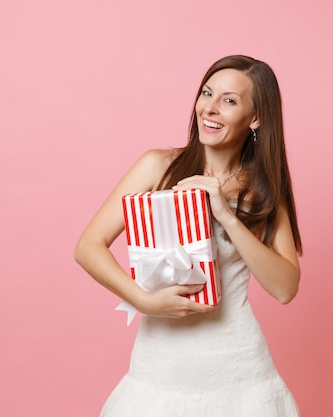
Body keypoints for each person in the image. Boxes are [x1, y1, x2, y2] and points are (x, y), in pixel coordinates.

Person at [75, 55, 303, 417]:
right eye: (206, 93)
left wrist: (227, 217)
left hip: (239, 372)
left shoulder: (262, 190)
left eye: (228, 100)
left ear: (255, 117)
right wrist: (144, 301)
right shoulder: (158, 165)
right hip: (160, 367)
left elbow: (285, 288)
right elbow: (88, 247)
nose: (209, 109)